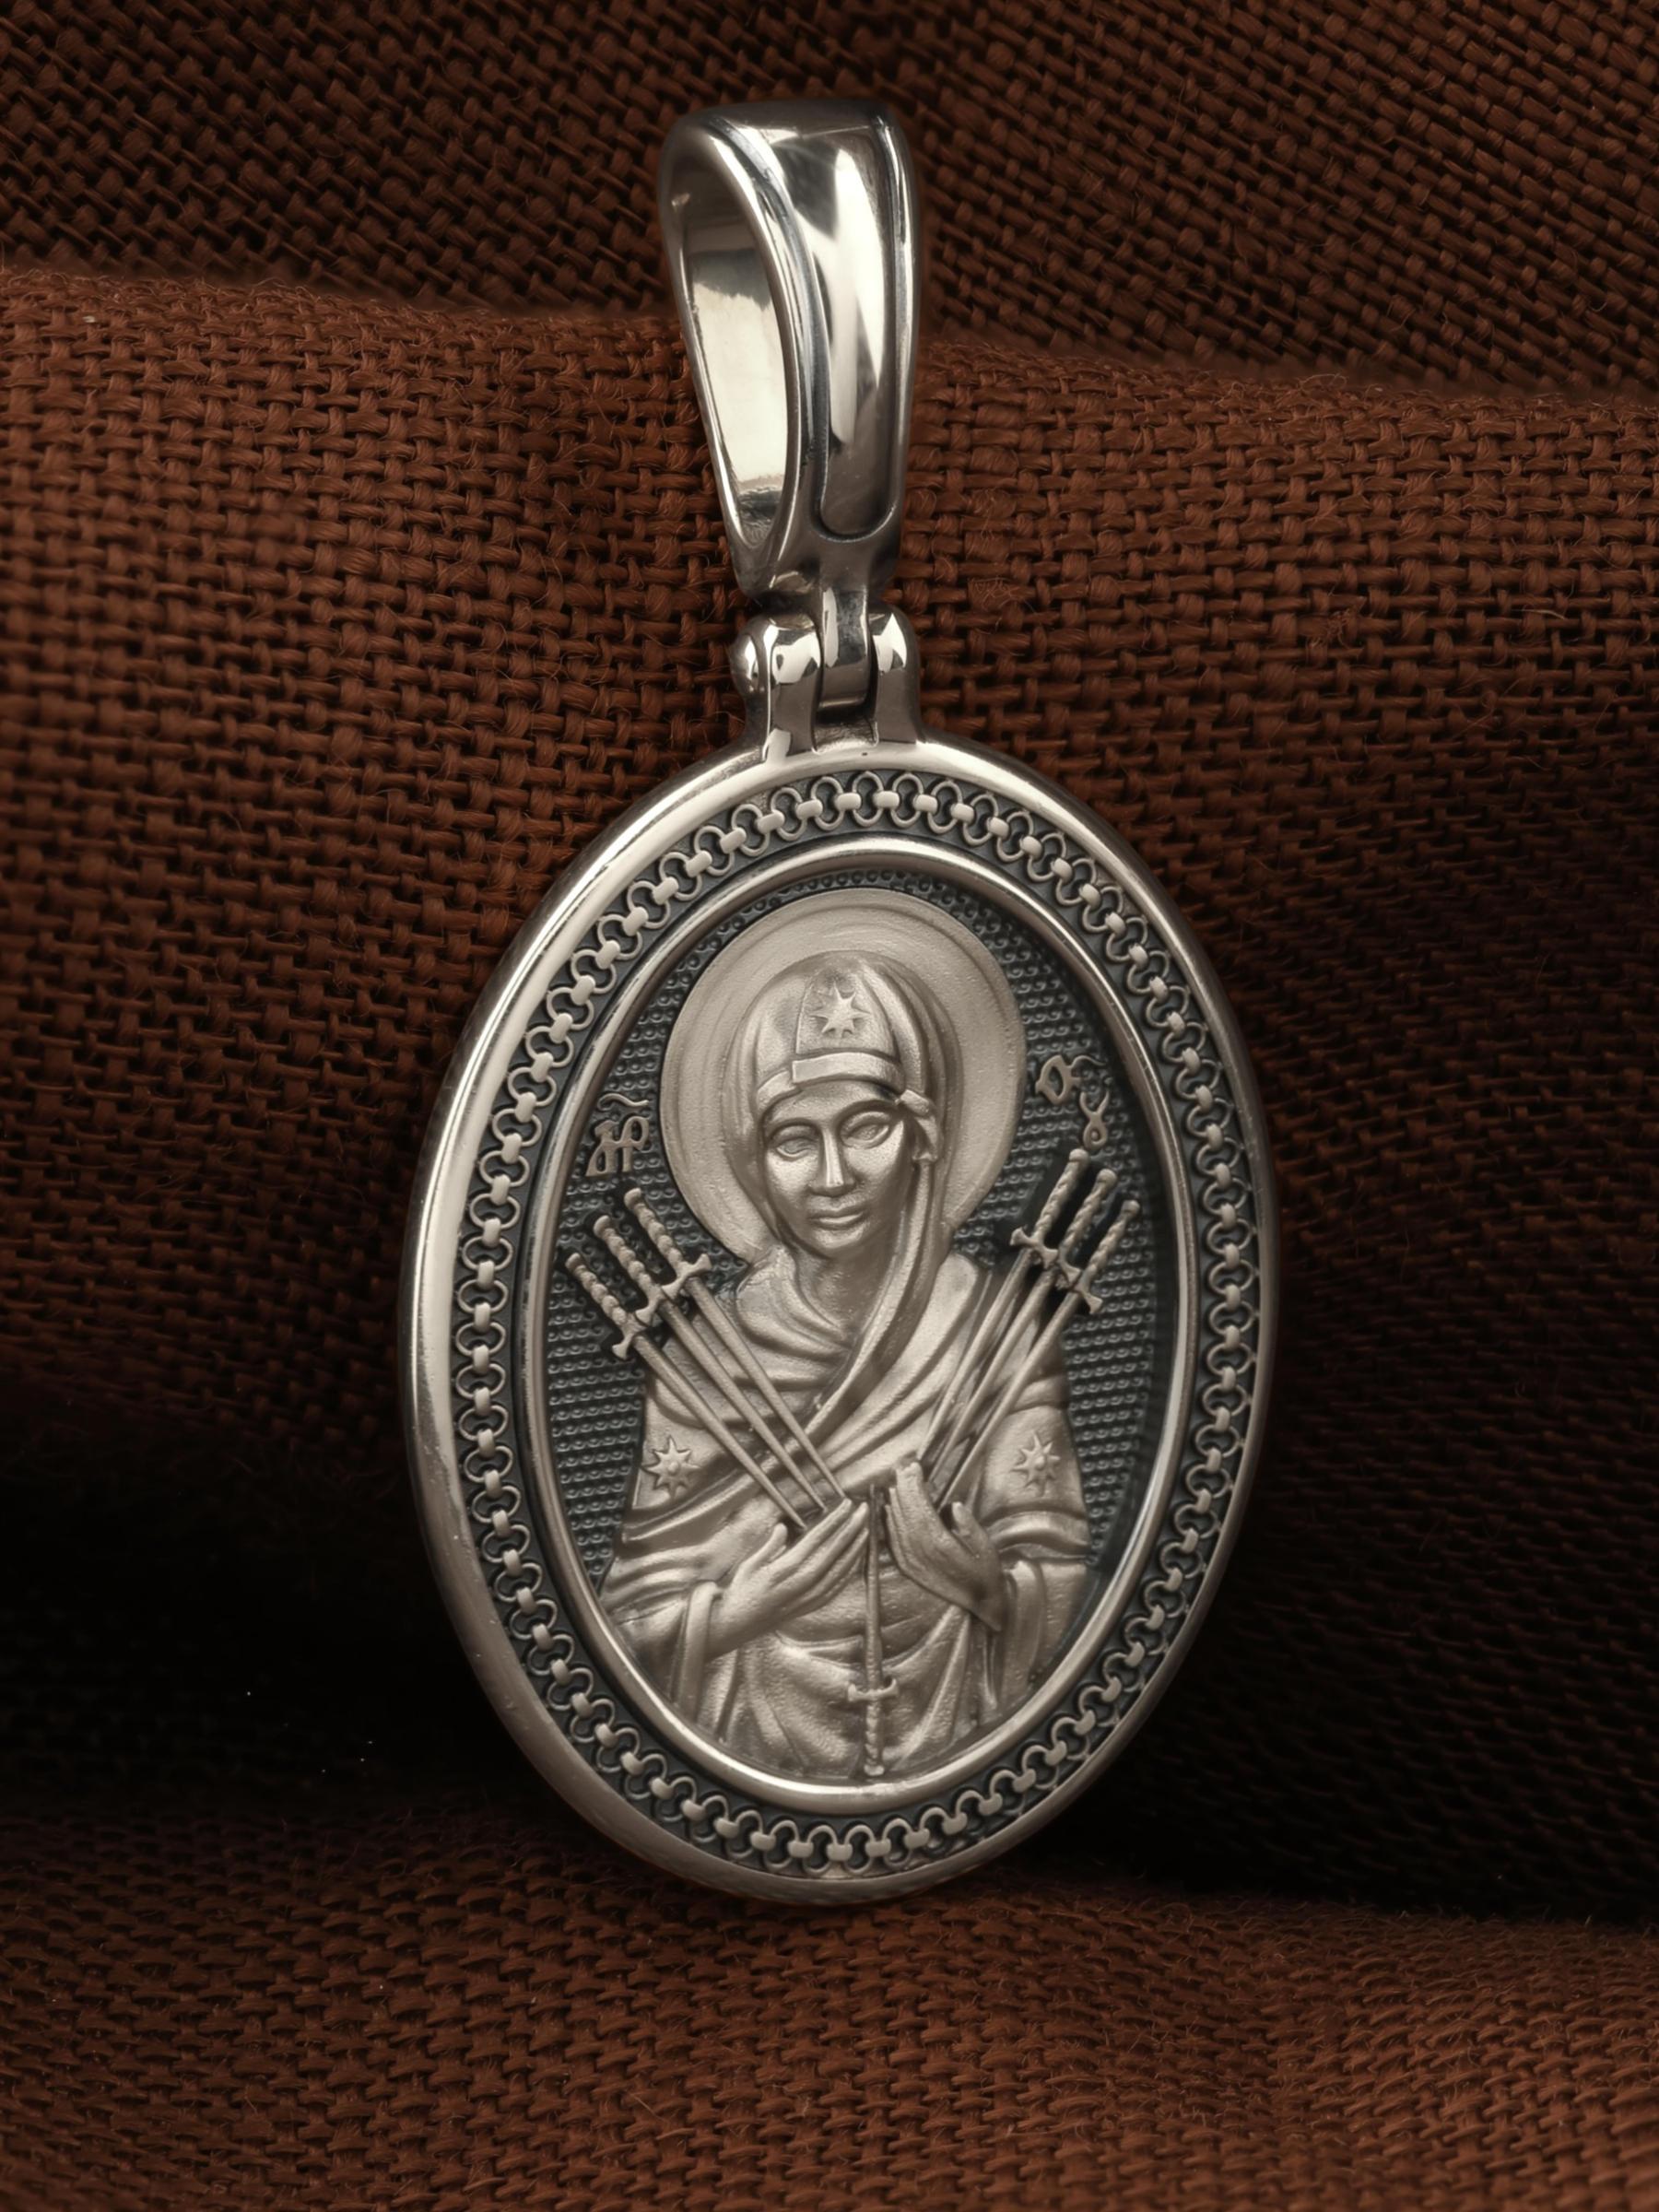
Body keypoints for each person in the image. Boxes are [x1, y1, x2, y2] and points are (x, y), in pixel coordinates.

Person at [598, 898, 1089, 1784]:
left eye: (866, 1128)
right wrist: (743, 1611)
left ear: (924, 1135)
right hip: (749, 1740)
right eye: (794, 1141)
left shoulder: (997, 1334)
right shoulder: (710, 1359)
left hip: (960, 1725)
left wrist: (979, 1584)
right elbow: (627, 1626)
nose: (833, 1178)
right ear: (751, 1161)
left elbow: (1063, 1586)